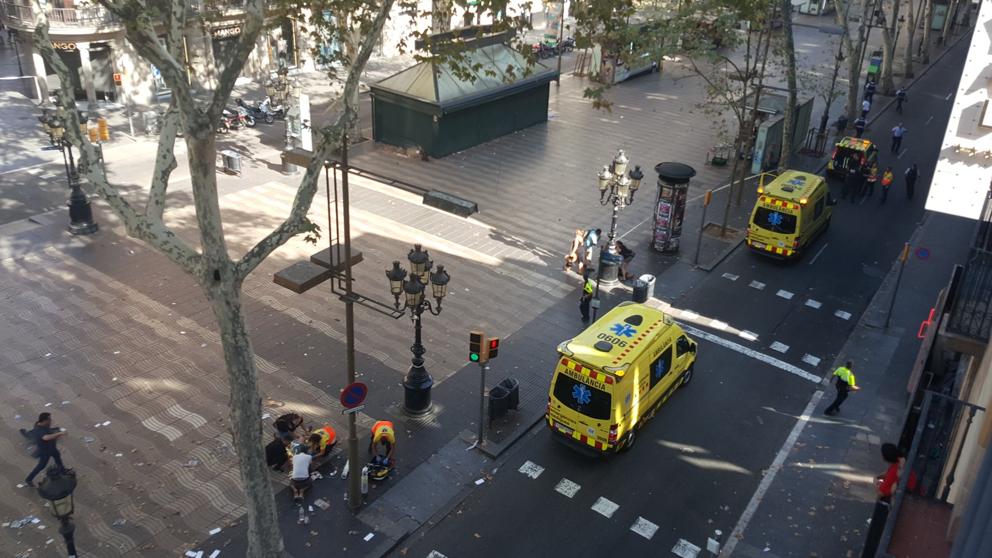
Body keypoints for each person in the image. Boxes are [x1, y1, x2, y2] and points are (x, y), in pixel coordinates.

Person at [23, 412, 68, 487]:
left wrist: (57, 432)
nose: (51, 420)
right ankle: (28, 479)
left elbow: (49, 433)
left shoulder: (43, 425)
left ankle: (63, 471)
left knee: (58, 458)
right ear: (44, 421)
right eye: (49, 419)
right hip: (45, 451)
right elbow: (45, 437)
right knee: (41, 466)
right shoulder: (39, 430)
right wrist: (59, 434)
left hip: (52, 448)